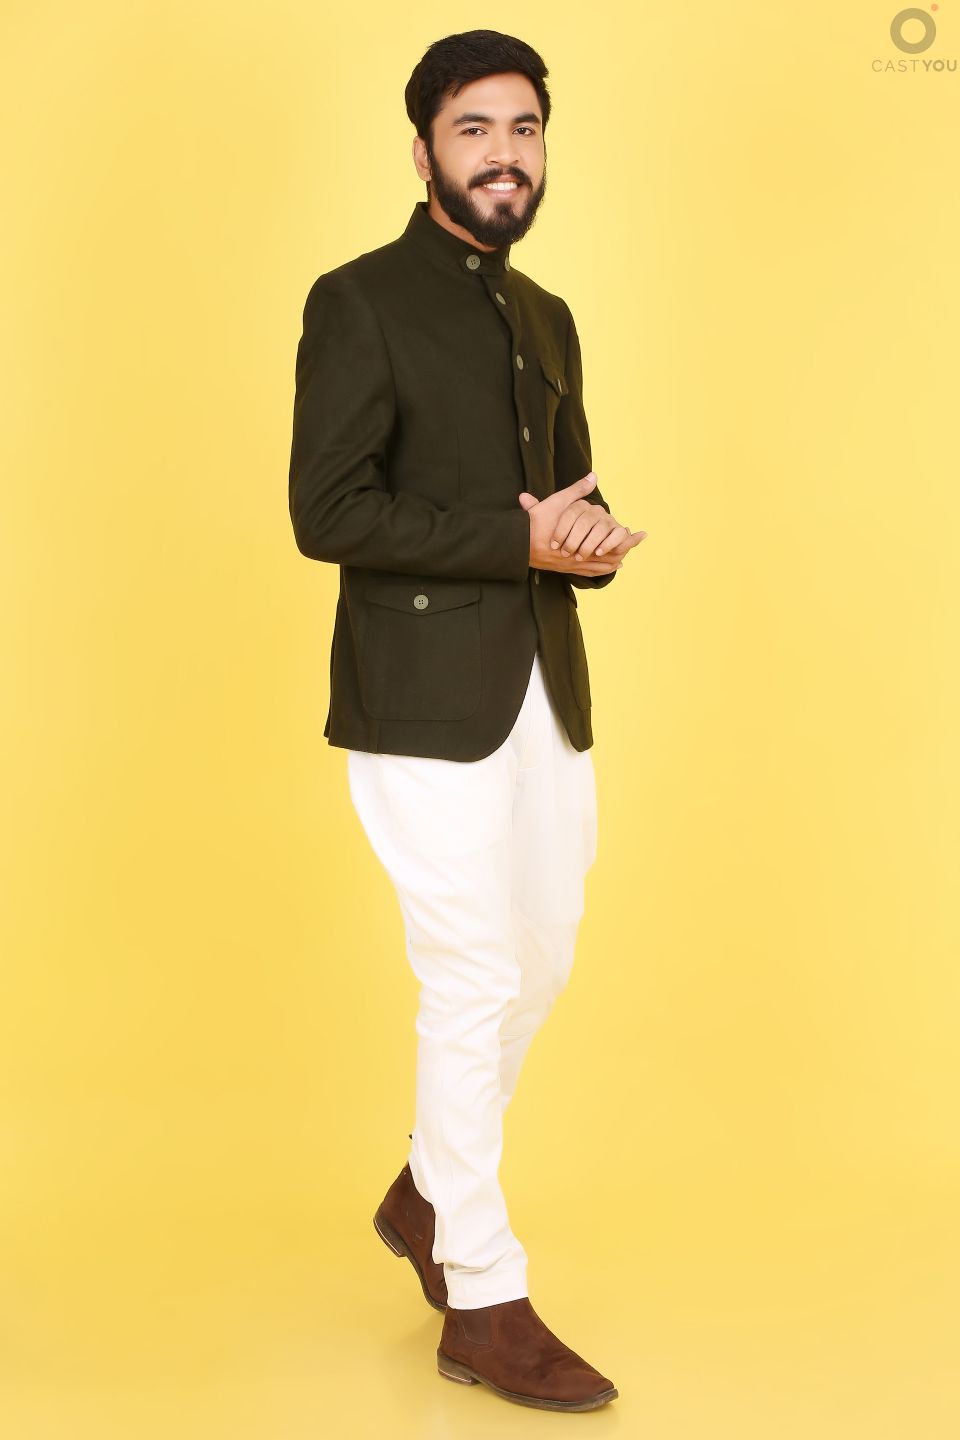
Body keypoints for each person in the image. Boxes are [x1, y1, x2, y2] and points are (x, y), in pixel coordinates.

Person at [288, 28, 646, 1413]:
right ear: (425, 149)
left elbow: (562, 493)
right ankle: (482, 1298)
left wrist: (587, 541)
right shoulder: (357, 300)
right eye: (475, 130)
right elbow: (329, 511)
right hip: (421, 698)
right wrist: (516, 543)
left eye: (525, 129)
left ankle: (427, 1188)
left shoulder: (547, 314)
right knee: (473, 975)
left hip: (546, 683)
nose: (506, 155)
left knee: (539, 962)